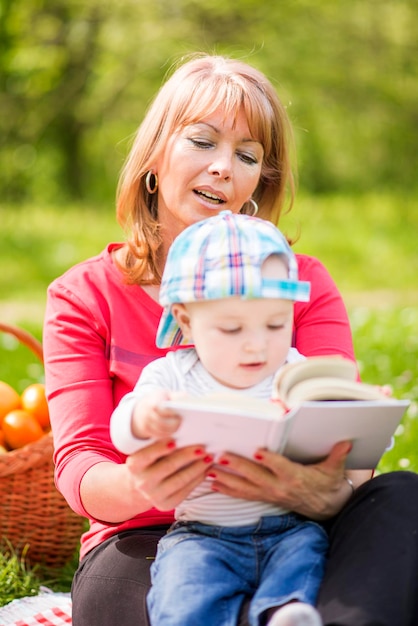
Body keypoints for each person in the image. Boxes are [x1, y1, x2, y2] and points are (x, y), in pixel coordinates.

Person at [42, 53, 418, 626]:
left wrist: (325, 494)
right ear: (153, 159)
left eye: (246, 156)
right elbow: (80, 466)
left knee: (402, 499)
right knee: (125, 587)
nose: (224, 167)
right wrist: (140, 484)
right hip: (154, 537)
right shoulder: (83, 295)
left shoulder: (301, 282)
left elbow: (344, 439)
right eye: (203, 141)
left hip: (295, 528)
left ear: (254, 185)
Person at [110, 210, 325, 626]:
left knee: (309, 554)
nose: (256, 347)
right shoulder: (171, 375)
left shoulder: (294, 371)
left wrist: (348, 409)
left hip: (289, 526)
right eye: (231, 329)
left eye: (276, 324)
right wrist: (143, 417)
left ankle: (285, 613)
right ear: (186, 321)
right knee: (184, 588)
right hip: (204, 535)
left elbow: (339, 432)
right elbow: (122, 429)